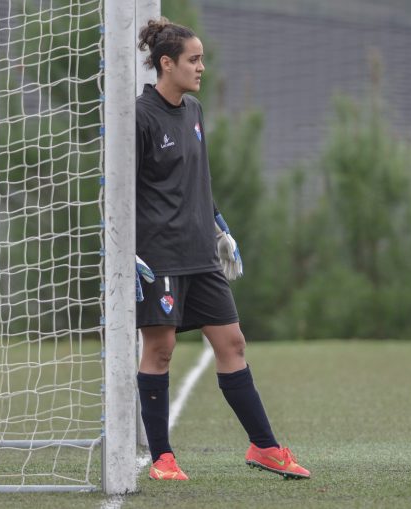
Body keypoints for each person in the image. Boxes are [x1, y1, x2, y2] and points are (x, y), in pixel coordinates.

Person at [133, 17, 310, 482]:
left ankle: (265, 447)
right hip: (158, 257)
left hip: (200, 253)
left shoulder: (193, 110)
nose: (201, 68)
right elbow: (121, 191)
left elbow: (195, 178)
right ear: (166, 63)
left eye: (202, 59)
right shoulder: (140, 116)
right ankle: (163, 459)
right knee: (161, 349)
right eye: (193, 60)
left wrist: (217, 224)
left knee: (232, 342)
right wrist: (125, 249)